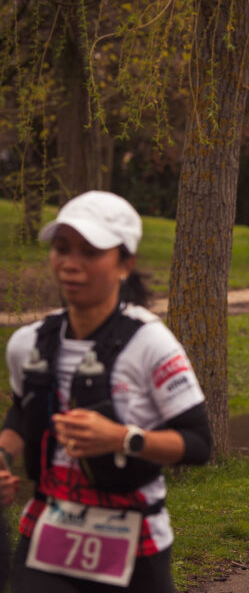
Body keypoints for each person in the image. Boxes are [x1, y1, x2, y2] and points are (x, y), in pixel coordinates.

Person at [0, 191, 211, 592]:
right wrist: (3, 456)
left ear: (125, 264)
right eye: (61, 249)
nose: (70, 265)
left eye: (90, 252)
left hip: (133, 543)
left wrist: (122, 438)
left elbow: (198, 444)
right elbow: (21, 411)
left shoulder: (151, 345)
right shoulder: (28, 344)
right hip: (46, 534)